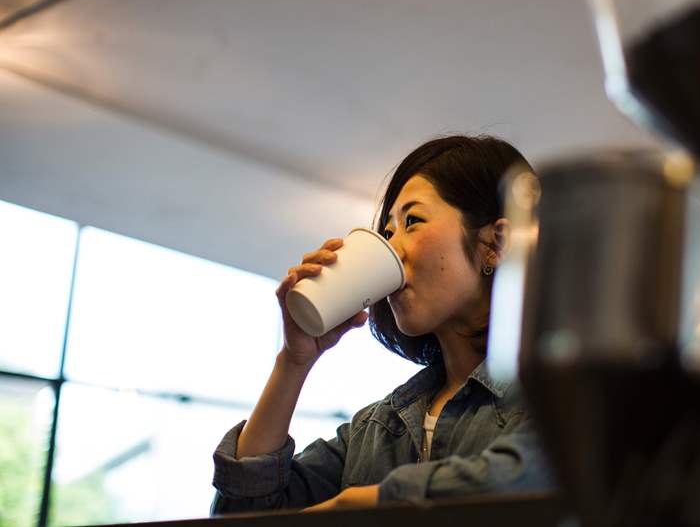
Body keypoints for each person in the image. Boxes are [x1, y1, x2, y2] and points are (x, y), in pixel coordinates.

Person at [210, 135, 554, 513]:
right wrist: (293, 362)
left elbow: (532, 477)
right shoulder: (376, 427)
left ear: (496, 245)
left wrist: (375, 504)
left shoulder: (555, 394)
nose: (392, 247)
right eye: (388, 232)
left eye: (412, 221)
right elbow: (242, 511)